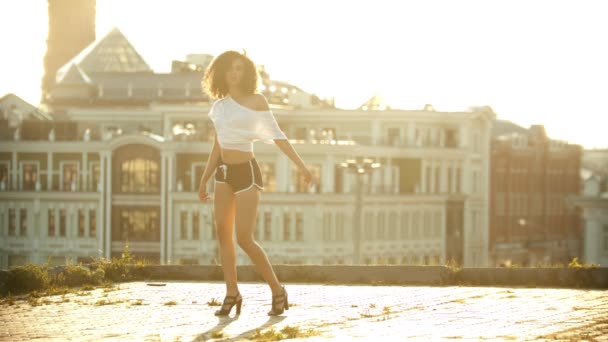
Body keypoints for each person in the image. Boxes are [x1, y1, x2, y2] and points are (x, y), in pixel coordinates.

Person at [198, 50, 314, 316]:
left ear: (247, 72)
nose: (234, 73)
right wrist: (204, 179)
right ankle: (232, 292)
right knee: (222, 233)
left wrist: (302, 166)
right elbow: (217, 145)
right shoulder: (219, 106)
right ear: (221, 73)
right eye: (230, 69)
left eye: (239, 68)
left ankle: (277, 290)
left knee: (244, 238)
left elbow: (278, 136)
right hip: (223, 174)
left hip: (246, 173)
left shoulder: (256, 101)